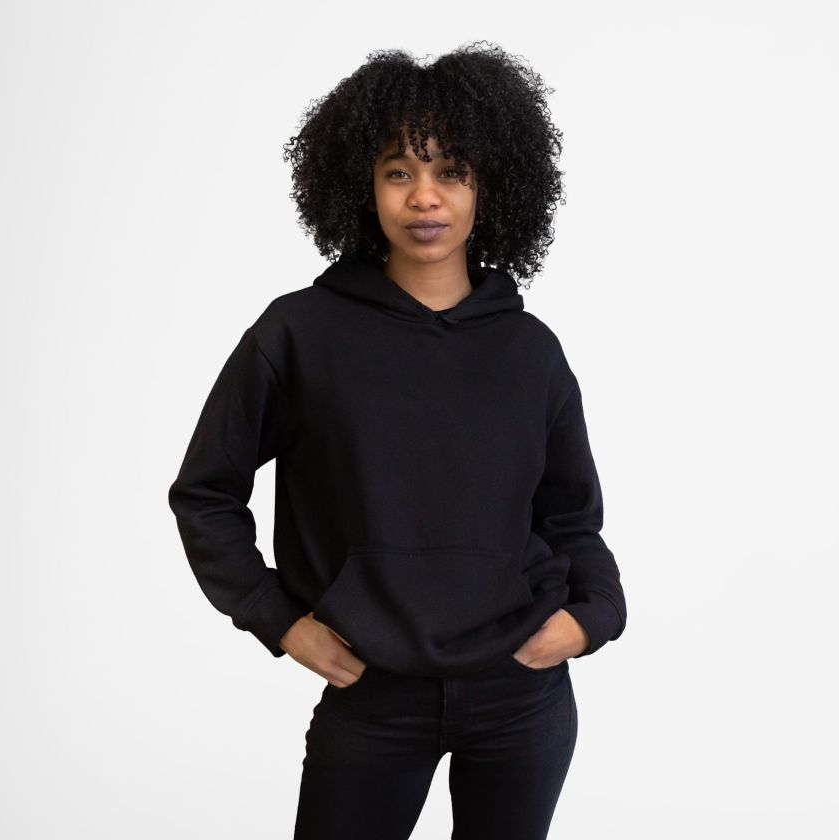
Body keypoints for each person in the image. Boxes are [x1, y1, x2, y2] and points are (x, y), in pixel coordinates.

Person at [168, 41, 627, 840]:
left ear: (490, 186)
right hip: (374, 696)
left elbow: (570, 518)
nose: (424, 196)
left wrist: (594, 616)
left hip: (522, 696)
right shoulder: (300, 333)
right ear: (363, 185)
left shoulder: (530, 350)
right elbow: (206, 492)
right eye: (397, 171)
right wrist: (280, 620)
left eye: (452, 171)